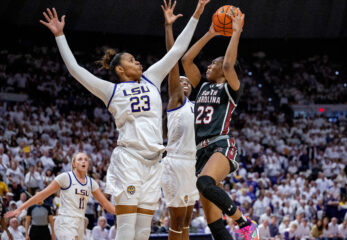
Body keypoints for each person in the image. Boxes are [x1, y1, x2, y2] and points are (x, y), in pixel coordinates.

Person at [38, 2, 209, 239]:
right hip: (129, 160)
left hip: (154, 164)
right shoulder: (111, 91)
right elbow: (76, 70)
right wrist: (60, 36)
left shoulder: (151, 78)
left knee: (143, 232)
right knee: (127, 230)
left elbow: (177, 50)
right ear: (120, 69)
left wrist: (197, 14)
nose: (138, 62)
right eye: (132, 60)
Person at [181, 8, 258, 240]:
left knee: (204, 182)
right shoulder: (203, 86)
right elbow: (186, 59)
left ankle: (246, 224)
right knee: (214, 223)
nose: (209, 67)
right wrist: (210, 33)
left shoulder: (230, 87)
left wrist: (236, 32)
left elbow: (227, 66)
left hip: (220, 145)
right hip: (201, 151)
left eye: (213, 64)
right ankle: (237, 227)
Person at [5, 152, 115, 240]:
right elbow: (42, 195)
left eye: (86, 159)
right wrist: (20, 208)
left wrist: (126, 211)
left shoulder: (91, 183)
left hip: (80, 221)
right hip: (65, 220)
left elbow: (105, 203)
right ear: (74, 164)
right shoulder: (65, 177)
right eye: (80, 159)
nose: (83, 161)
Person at [160, 1, 199, 240]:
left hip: (193, 164)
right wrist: (168, 28)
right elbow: (173, 60)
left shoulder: (197, 106)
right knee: (176, 220)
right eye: (179, 81)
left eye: (187, 82)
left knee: (186, 220)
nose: (183, 83)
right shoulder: (176, 100)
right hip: (175, 163)